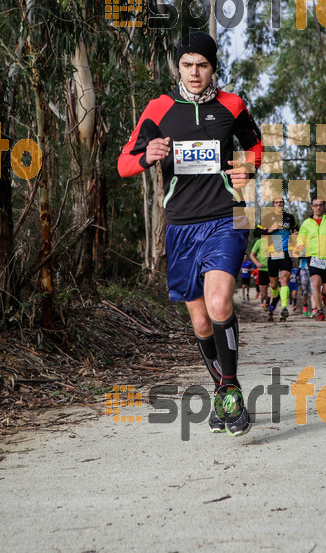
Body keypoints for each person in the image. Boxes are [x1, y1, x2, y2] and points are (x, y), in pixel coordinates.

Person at [117, 31, 263, 436]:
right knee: (201, 324)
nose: (194, 72)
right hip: (181, 226)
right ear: (177, 67)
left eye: (202, 64)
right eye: (187, 64)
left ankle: (230, 392)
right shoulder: (159, 109)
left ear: (213, 67)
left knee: (219, 305)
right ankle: (221, 390)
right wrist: (147, 156)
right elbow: (123, 164)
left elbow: (255, 146)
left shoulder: (231, 105)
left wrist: (247, 168)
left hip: (225, 218)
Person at [293, 199, 326, 321]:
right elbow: (301, 239)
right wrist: (299, 247)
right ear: (312, 207)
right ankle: (320, 311)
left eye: (320, 205)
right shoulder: (307, 223)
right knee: (315, 284)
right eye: (316, 205)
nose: (318, 208)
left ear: (324, 206)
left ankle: (325, 297)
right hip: (314, 258)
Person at [253, 198, 297, 322]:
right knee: (273, 284)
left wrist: (295, 234)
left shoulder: (289, 217)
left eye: (281, 202)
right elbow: (255, 233)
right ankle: (274, 299)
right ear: (273, 205)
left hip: (285, 253)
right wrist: (269, 230)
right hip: (273, 254)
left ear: (283, 204)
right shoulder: (267, 218)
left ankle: (284, 308)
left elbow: (295, 229)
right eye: (277, 202)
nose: (279, 204)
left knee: (284, 279)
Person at [249, 234, 271, 320]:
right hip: (261, 270)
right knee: (263, 294)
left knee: (273, 289)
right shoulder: (259, 242)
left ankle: (271, 312)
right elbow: (251, 254)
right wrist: (257, 263)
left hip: (272, 269)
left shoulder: (274, 239)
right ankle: (268, 300)